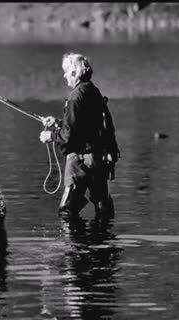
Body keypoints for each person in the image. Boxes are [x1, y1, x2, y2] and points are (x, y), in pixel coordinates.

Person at [39, 53, 120, 219]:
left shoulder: (75, 97)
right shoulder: (92, 90)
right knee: (102, 208)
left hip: (81, 162)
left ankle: (77, 244)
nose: (64, 75)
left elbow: (69, 138)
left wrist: (51, 135)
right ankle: (102, 241)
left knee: (67, 212)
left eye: (67, 71)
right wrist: (59, 123)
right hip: (99, 160)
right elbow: (86, 126)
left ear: (75, 73)